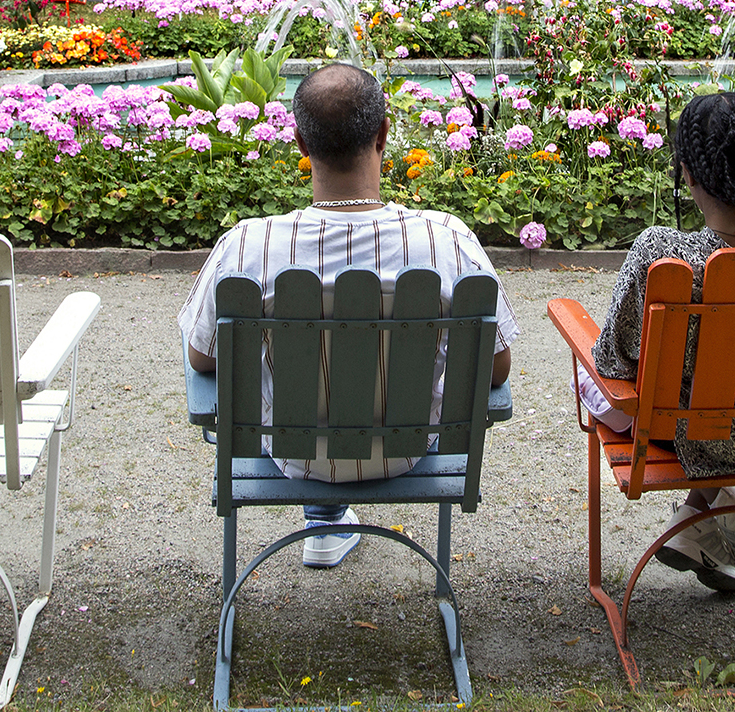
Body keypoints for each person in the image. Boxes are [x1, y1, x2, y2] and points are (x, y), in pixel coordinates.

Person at [180, 63, 519, 568]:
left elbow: (202, 360)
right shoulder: (446, 241)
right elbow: (496, 369)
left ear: (299, 141)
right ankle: (332, 520)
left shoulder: (248, 247)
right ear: (385, 133)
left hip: (294, 453)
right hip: (407, 448)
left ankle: (324, 518)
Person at [577, 90, 735, 593]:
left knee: (587, 369)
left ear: (688, 174)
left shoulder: (662, 253)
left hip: (698, 432)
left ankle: (716, 511)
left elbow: (614, 359)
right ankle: (707, 522)